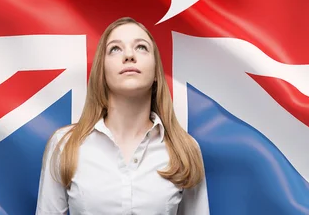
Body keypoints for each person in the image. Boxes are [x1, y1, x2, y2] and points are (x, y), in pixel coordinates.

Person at [35, 16, 210, 214]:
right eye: (115, 49)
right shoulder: (65, 145)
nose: (129, 55)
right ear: (102, 71)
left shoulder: (185, 150)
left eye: (141, 47)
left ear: (155, 73)